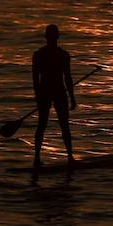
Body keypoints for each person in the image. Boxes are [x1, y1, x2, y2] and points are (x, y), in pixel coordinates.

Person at [32, 24, 76, 172]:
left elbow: (68, 78)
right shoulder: (40, 54)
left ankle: (69, 157)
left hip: (56, 92)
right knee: (45, 125)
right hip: (48, 92)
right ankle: (38, 158)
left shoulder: (63, 55)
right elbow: (35, 78)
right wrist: (38, 96)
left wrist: (72, 97)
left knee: (62, 125)